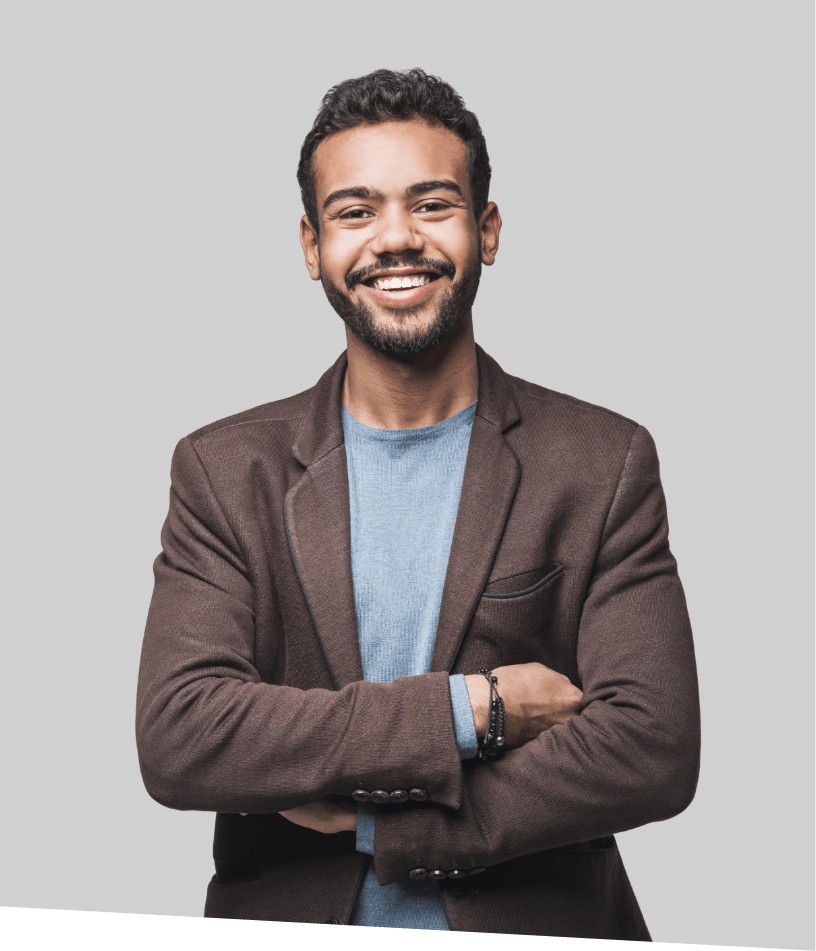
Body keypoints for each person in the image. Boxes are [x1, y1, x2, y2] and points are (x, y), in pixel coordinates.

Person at [136, 68, 700, 939]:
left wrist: (382, 826)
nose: (396, 238)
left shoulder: (602, 461)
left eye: (432, 205)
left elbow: (651, 745)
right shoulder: (223, 470)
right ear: (312, 245)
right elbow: (182, 733)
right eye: (355, 212)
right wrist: (475, 710)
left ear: (487, 229)